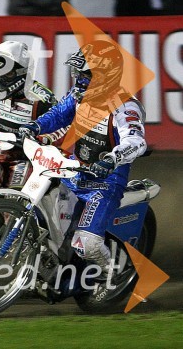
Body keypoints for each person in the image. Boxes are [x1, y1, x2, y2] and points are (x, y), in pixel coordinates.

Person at [19, 40, 147, 291]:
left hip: (106, 182)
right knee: (40, 214)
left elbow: (137, 141)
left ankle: (112, 277)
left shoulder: (125, 105)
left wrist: (112, 159)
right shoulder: (79, 96)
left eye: (84, 74)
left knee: (85, 244)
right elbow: (58, 115)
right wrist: (34, 127)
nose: (78, 80)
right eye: (77, 73)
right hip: (75, 171)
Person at [0, 41, 62, 187]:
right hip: (2, 150)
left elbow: (62, 127)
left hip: (29, 157)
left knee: (13, 196)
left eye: (5, 72)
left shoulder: (41, 98)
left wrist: (42, 139)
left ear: (22, 72)